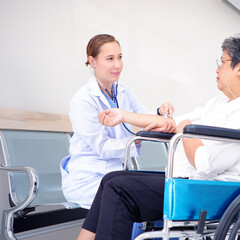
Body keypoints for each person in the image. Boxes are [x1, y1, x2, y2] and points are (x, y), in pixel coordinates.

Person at [77, 35, 240, 240]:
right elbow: (174, 122)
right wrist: (124, 115)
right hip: (197, 184)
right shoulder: (222, 103)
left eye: (222, 62)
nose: (217, 69)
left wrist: (185, 130)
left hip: (218, 193)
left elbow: (204, 162)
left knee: (119, 190)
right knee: (112, 178)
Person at [60, 34, 174, 209]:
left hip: (114, 175)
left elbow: (142, 116)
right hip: (88, 179)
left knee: (147, 196)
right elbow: (104, 148)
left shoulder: (123, 91)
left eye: (120, 57)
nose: (118, 65)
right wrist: (137, 139)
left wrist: (159, 112)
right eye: (110, 59)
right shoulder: (83, 100)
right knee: (129, 203)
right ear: (93, 61)